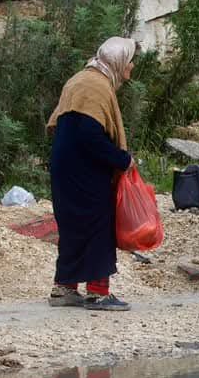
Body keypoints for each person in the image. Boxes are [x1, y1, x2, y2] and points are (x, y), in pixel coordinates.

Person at [46, 37, 137, 311]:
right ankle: (98, 292)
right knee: (99, 226)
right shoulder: (96, 85)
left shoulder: (80, 80)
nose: (131, 67)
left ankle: (64, 289)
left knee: (73, 226)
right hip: (85, 170)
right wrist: (123, 159)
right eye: (130, 60)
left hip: (66, 166)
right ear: (118, 60)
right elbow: (89, 134)